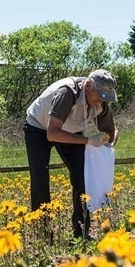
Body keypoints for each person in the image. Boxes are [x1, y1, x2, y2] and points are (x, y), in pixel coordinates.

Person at [24, 69, 119, 239]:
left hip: (72, 130)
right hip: (39, 127)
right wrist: (89, 141)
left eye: (105, 97)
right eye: (99, 95)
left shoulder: (101, 103)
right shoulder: (66, 94)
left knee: (83, 177)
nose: (101, 101)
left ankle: (81, 231)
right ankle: (43, 235)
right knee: (40, 180)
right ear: (88, 85)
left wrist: (110, 145)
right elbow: (52, 133)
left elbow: (111, 129)